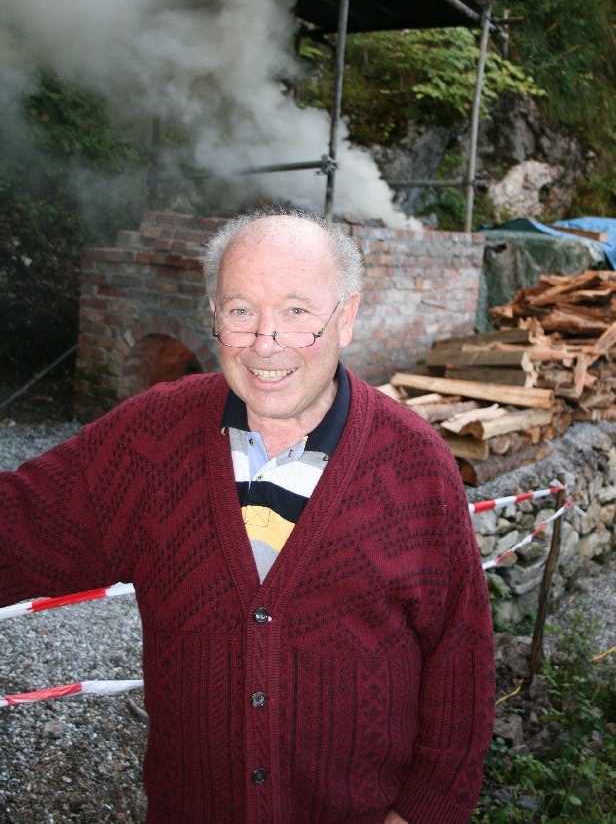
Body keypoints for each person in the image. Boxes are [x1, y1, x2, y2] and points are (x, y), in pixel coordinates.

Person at [0, 208, 495, 824]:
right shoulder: (151, 439)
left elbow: (460, 661)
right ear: (214, 315)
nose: (266, 341)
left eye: (296, 311)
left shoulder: (416, 465)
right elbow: (21, 525)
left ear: (345, 318)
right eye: (240, 310)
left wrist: (422, 814)